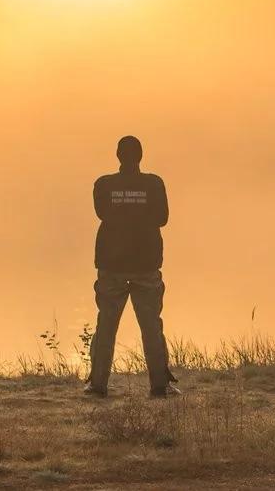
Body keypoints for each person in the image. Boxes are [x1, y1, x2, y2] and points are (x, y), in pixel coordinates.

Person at [84, 136, 180, 398]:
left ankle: (98, 384)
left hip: (111, 265)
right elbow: (162, 218)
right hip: (146, 264)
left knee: (106, 326)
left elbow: (102, 213)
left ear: (118, 155)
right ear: (141, 155)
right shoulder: (154, 184)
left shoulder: (103, 185)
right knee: (151, 326)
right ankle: (160, 385)